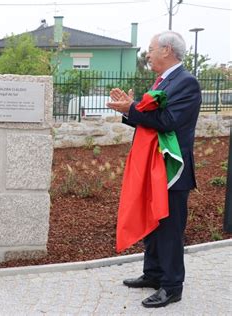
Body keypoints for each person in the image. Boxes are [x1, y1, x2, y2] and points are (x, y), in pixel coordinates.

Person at [107, 31, 201, 308]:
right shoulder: (163, 80)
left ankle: (172, 286)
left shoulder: (186, 82)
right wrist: (128, 111)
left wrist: (132, 108)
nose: (147, 54)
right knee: (153, 222)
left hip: (172, 169)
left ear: (167, 50)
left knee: (170, 227)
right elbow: (149, 120)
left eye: (150, 49)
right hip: (152, 167)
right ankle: (153, 274)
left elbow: (168, 121)